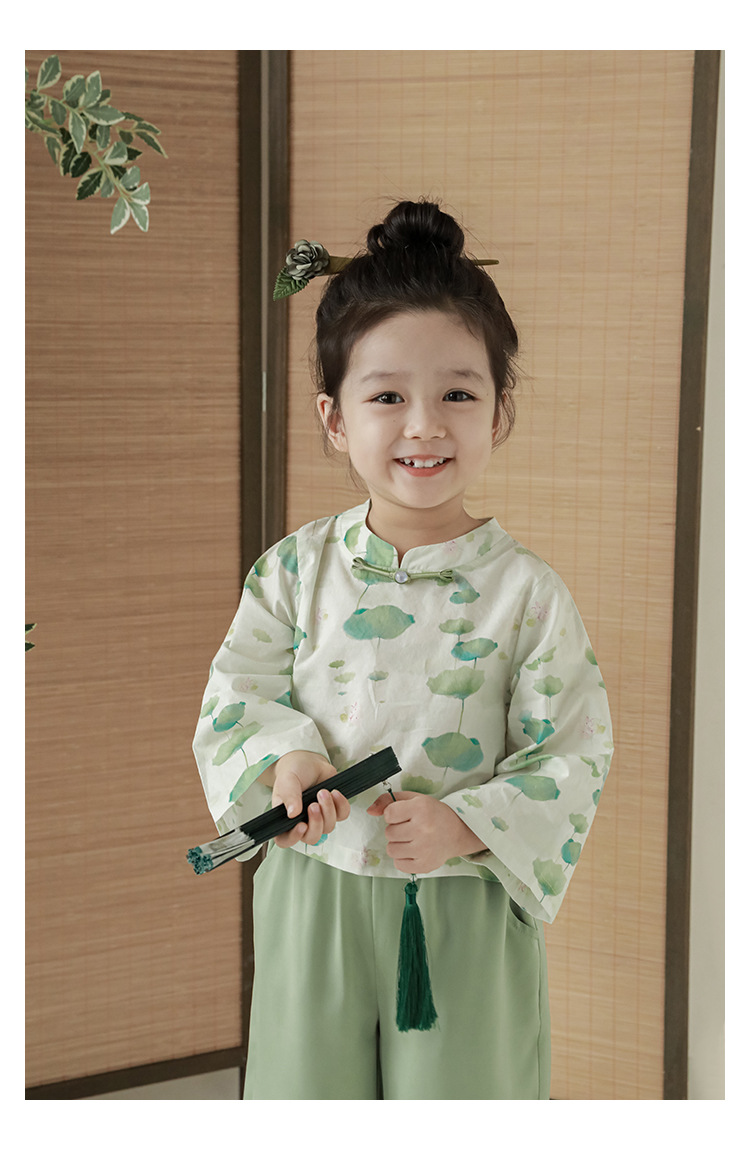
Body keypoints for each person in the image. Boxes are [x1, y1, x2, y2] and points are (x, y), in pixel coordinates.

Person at [193, 199, 613, 1100]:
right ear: (335, 418)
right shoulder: (291, 571)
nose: (424, 426)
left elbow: (572, 754)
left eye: (458, 394)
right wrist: (287, 761)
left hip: (460, 896)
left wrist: (469, 824)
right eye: (387, 396)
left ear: (499, 412)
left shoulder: (529, 594)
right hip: (313, 891)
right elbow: (238, 696)